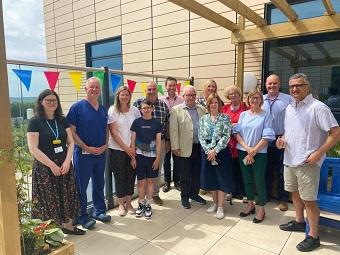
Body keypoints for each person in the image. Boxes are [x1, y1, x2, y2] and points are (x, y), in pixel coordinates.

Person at [277, 73, 339, 252]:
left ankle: (313, 235)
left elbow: (335, 132)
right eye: (291, 86)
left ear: (308, 87)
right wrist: (282, 140)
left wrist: (319, 153)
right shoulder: (290, 108)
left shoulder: (318, 108)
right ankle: (299, 221)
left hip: (308, 163)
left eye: (299, 85)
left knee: (309, 200)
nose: (295, 89)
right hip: (290, 159)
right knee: (295, 194)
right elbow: (290, 132)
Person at [27, 89, 85, 235]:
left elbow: (71, 143)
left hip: (64, 164)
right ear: (41, 102)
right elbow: (33, 149)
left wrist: (67, 162)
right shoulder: (35, 122)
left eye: (54, 100)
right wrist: (52, 165)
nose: (52, 103)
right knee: (47, 199)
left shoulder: (61, 119)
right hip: (45, 167)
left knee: (67, 195)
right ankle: (49, 234)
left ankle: (68, 226)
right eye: (48, 100)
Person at [66, 77, 111, 230]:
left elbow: (106, 129)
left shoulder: (103, 108)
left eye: (97, 87)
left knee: (99, 183)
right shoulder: (77, 108)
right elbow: (71, 132)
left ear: (100, 90)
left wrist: (105, 145)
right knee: (81, 185)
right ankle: (82, 216)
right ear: (85, 89)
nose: (94, 89)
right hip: (83, 153)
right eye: (91, 87)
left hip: (100, 153)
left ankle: (99, 211)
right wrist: (87, 147)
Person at [234, 89, 275, 224]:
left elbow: (267, 136)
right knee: (247, 180)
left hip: (260, 154)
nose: (254, 100)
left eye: (257, 98)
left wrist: (253, 151)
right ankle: (250, 204)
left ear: (261, 100)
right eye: (252, 98)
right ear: (248, 100)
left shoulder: (266, 115)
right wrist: (247, 149)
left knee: (259, 181)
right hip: (243, 151)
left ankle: (261, 208)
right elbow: (237, 133)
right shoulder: (243, 115)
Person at [170, 86, 207, 209]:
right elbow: (173, 130)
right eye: (188, 95)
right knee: (185, 175)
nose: (191, 97)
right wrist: (175, 147)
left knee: (197, 173)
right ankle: (184, 197)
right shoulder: (176, 110)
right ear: (184, 96)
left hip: (199, 147)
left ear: (196, 96)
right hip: (183, 148)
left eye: (193, 95)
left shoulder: (202, 109)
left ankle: (194, 194)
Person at [134, 81, 169, 206]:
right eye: (149, 89)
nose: (152, 91)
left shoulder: (163, 105)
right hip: (141, 144)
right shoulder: (138, 103)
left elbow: (167, 124)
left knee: (156, 169)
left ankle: (155, 194)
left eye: (154, 89)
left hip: (159, 143)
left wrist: (168, 141)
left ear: (157, 90)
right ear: (145, 90)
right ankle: (141, 198)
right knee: (142, 171)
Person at [199, 93, 234, 219]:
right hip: (207, 153)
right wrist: (209, 151)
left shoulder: (226, 118)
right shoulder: (203, 119)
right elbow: (201, 137)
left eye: (216, 102)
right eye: (211, 102)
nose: (214, 104)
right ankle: (214, 203)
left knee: (222, 179)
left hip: (221, 152)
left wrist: (216, 150)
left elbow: (226, 136)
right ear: (208, 105)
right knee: (211, 178)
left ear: (219, 104)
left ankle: (220, 207)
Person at [108, 86, 141, 216]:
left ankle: (129, 203)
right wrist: (126, 148)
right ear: (118, 96)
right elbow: (113, 132)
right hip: (117, 149)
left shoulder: (134, 110)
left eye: (127, 95)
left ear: (130, 96)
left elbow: (137, 129)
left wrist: (132, 148)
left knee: (130, 176)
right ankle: (121, 204)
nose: (125, 97)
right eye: (122, 95)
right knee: (119, 177)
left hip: (132, 148)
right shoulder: (113, 110)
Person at [262, 74, 292, 211]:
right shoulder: (261, 99)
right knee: (266, 169)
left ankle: (283, 199)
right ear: (266, 85)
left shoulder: (288, 99)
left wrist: (285, 136)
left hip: (282, 138)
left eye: (275, 83)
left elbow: (293, 121)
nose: (272, 86)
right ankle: (266, 195)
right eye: (269, 84)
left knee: (281, 171)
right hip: (265, 140)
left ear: (279, 84)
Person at [130, 100, 162, 219]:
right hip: (139, 157)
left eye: (149, 107)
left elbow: (158, 142)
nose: (146, 109)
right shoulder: (136, 122)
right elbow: (132, 141)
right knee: (141, 181)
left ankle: (148, 204)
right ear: (141, 110)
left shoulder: (157, 123)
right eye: (144, 108)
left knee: (150, 181)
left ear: (152, 109)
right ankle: (141, 203)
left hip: (152, 158)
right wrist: (133, 157)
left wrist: (158, 158)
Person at [221, 85, 248, 202]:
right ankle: (230, 191)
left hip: (242, 142)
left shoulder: (245, 107)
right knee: (230, 168)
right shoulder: (225, 108)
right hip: (228, 143)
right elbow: (221, 123)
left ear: (239, 94)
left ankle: (244, 192)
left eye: (235, 93)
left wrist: (232, 125)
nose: (233, 95)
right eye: (231, 94)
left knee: (242, 168)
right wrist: (233, 125)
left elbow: (247, 123)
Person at [159, 77, 184, 192]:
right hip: (165, 133)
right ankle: (167, 182)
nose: (172, 88)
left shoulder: (182, 100)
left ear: (176, 86)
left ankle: (177, 181)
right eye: (169, 85)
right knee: (166, 160)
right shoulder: (161, 100)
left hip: (178, 134)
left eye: (174, 85)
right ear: (166, 86)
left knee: (177, 159)